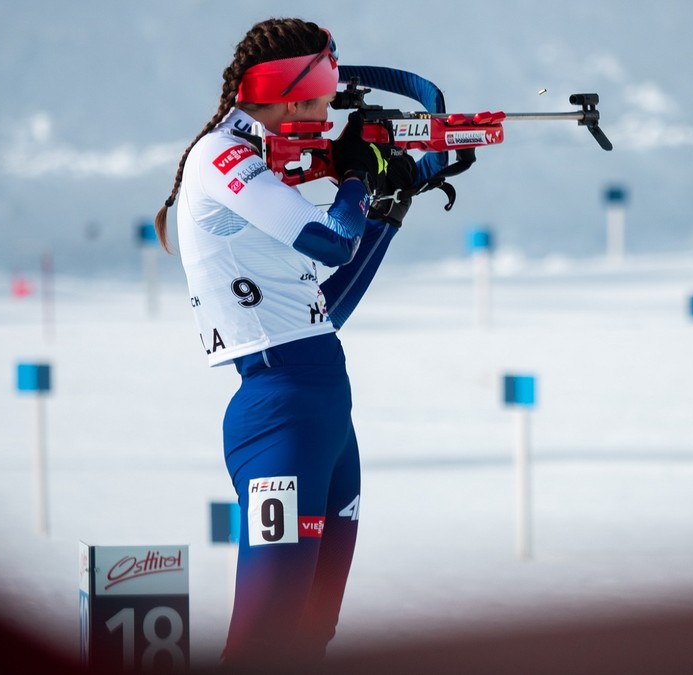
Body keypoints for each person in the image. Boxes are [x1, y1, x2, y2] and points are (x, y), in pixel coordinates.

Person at [151, 16, 417, 668]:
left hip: (324, 413)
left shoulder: (261, 185)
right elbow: (329, 239)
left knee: (310, 636)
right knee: (263, 642)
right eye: (325, 99)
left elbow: (324, 313)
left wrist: (387, 209)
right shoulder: (223, 157)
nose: (330, 116)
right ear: (292, 95)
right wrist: (354, 177)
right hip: (280, 418)